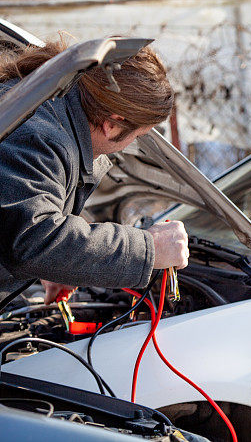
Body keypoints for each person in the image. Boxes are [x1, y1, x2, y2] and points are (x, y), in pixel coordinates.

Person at [0, 39, 189, 307]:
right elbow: (33, 240)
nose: (127, 148)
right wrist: (149, 249)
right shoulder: (40, 136)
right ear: (112, 124)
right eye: (137, 136)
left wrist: (60, 265)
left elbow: (17, 227)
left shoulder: (50, 107)